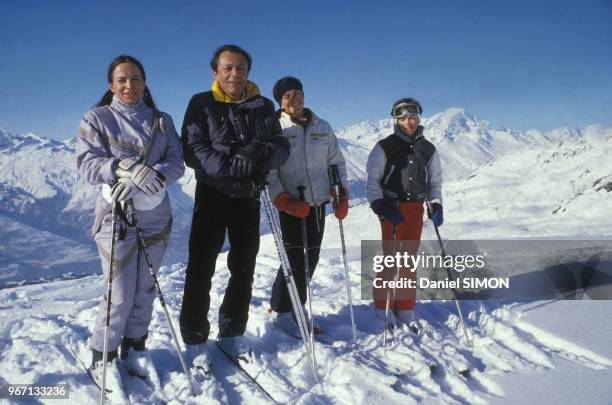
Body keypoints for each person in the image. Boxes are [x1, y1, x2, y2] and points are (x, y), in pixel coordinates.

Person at [75, 55, 185, 392]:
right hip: (116, 217)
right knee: (119, 293)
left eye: (135, 79)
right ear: (111, 84)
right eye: (122, 79)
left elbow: (176, 163)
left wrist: (153, 176)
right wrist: (124, 168)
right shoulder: (97, 119)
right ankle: (102, 355)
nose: (129, 85)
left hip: (155, 216)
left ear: (144, 83)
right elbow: (86, 162)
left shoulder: (162, 122)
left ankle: (135, 346)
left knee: (145, 288)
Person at [179, 44, 289, 369]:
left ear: (247, 72)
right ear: (216, 72)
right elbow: (192, 148)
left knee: (243, 268)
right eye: (227, 67)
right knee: (200, 268)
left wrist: (258, 157)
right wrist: (230, 165)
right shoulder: (201, 103)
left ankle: (231, 334)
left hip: (249, 195)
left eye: (240, 67)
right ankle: (196, 339)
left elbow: (280, 146)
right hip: (212, 193)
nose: (234, 73)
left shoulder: (264, 107)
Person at [267, 77, 349, 337]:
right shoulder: (274, 128)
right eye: (287, 95)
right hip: (292, 204)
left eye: (298, 93)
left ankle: (294, 305)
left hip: (318, 203)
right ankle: (284, 312)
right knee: (293, 259)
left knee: (310, 257)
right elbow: (269, 171)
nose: (294, 98)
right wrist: (283, 199)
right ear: (279, 101)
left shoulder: (322, 127)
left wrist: (340, 193)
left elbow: (335, 161)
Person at [365, 97, 443, 331]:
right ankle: (382, 307)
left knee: (408, 260)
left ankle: (405, 306)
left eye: (412, 116)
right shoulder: (384, 147)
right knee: (390, 260)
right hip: (391, 209)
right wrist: (380, 206)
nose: (408, 121)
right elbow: (373, 182)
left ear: (418, 117)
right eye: (403, 117)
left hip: (415, 210)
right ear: (396, 119)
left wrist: (436, 204)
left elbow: (435, 182)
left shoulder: (428, 149)